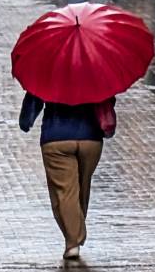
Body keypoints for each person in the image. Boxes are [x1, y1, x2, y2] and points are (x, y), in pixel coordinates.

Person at [19, 93, 116, 260]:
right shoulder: (95, 71)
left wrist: (26, 121)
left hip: (56, 138)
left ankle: (74, 240)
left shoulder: (47, 70)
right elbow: (108, 99)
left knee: (64, 192)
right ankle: (75, 231)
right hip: (90, 138)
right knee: (81, 188)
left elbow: (33, 100)